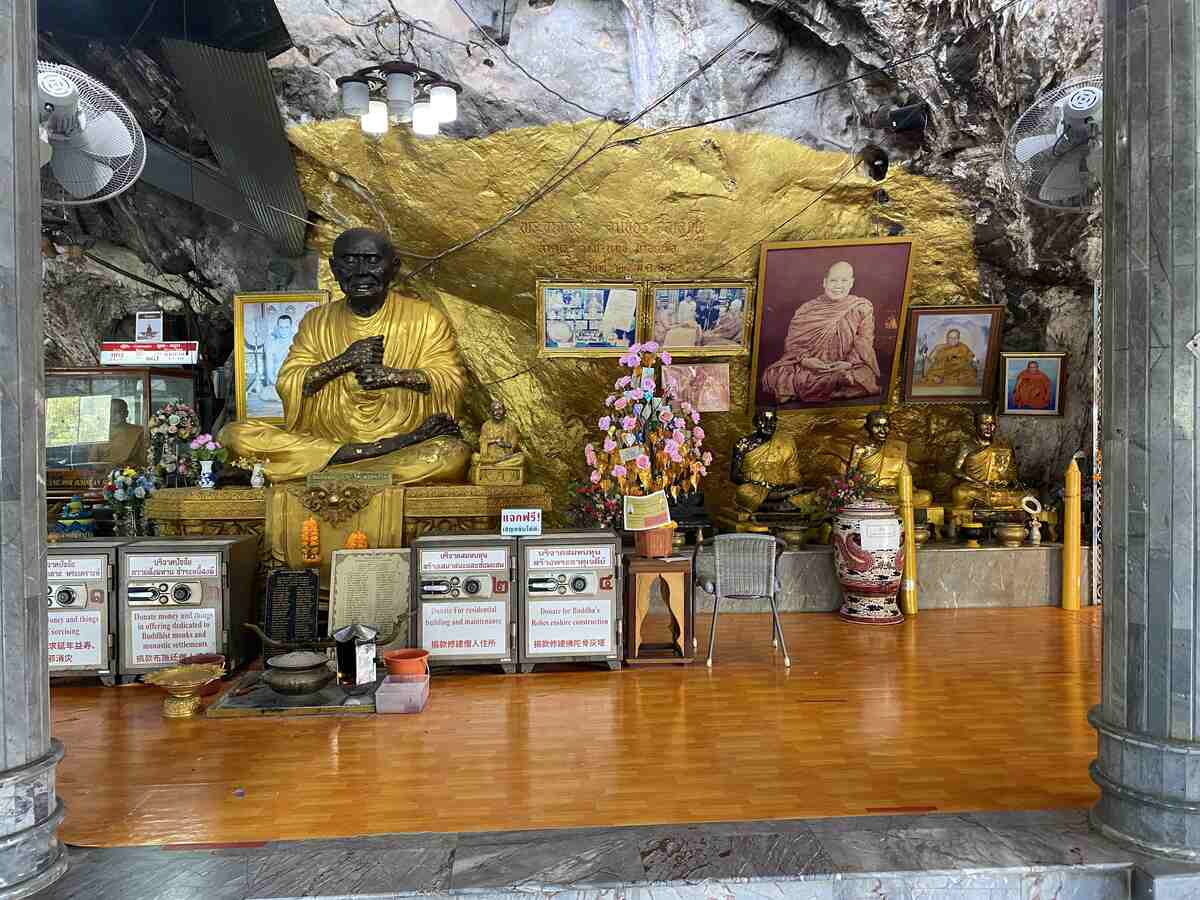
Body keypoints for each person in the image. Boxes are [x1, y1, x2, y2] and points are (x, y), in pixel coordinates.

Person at [219, 228, 472, 483]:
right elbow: (289, 381)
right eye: (350, 261)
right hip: (333, 440)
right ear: (334, 268)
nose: (361, 271)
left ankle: (318, 471)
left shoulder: (426, 318)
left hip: (397, 438)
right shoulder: (316, 321)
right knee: (233, 435)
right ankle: (370, 455)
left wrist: (394, 376)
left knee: (453, 456)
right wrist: (343, 362)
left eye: (372, 260)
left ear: (394, 267)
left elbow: (450, 380)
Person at [760, 261, 880, 403]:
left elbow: (864, 340)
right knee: (775, 376)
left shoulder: (862, 307)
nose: (838, 286)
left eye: (844, 280)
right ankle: (833, 383)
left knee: (863, 376)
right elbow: (793, 344)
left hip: (847, 365)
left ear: (851, 283)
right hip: (811, 366)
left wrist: (849, 363)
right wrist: (805, 360)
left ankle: (836, 380)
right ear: (825, 282)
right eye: (833, 280)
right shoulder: (807, 309)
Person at [730, 408, 816, 514]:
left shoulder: (787, 443)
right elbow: (734, 475)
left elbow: (794, 474)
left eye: (772, 420)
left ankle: (771, 505)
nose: (769, 424)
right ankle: (778, 505)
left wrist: (787, 486)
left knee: (811, 494)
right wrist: (762, 485)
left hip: (783, 489)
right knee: (743, 492)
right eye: (764, 420)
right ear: (755, 422)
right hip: (756, 489)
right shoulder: (742, 445)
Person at [846, 411, 932, 507]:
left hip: (893, 494)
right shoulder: (860, 449)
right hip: (870, 494)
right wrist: (862, 486)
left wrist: (908, 488)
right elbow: (850, 477)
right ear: (867, 427)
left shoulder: (898, 447)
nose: (882, 431)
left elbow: (905, 476)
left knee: (925, 497)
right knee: (860, 499)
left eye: (886, 426)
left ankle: (888, 507)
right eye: (877, 426)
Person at [949, 411, 1032, 509]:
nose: (989, 428)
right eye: (985, 424)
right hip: (977, 488)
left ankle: (996, 501)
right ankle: (1001, 503)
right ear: (975, 425)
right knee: (959, 493)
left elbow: (1013, 474)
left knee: (1031, 494)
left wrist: (1008, 481)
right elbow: (956, 470)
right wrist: (976, 481)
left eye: (992, 424)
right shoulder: (967, 446)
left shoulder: (1005, 447)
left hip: (999, 490)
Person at [470, 398, 526, 484]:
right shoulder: (486, 425)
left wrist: (504, 444)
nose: (498, 412)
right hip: (489, 457)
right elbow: (482, 442)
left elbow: (513, 444)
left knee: (520, 458)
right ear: (491, 412)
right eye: (495, 410)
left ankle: (493, 465)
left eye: (500, 409)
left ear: (504, 411)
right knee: (475, 457)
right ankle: (495, 465)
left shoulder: (511, 425)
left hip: (505, 457)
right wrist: (494, 441)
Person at [93, 398, 147, 469]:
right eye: (110, 413)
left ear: (126, 413)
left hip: (129, 474)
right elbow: (92, 461)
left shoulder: (138, 431)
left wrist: (123, 467)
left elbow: (144, 460)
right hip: (103, 475)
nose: (112, 416)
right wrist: (106, 467)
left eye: (117, 412)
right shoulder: (102, 432)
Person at [265, 314, 295, 386]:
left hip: (294, 382)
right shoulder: (272, 345)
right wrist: (278, 385)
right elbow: (269, 372)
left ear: (291, 327)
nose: (284, 330)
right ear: (278, 327)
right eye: (281, 327)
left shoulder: (298, 343)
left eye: (286, 327)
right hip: (277, 382)